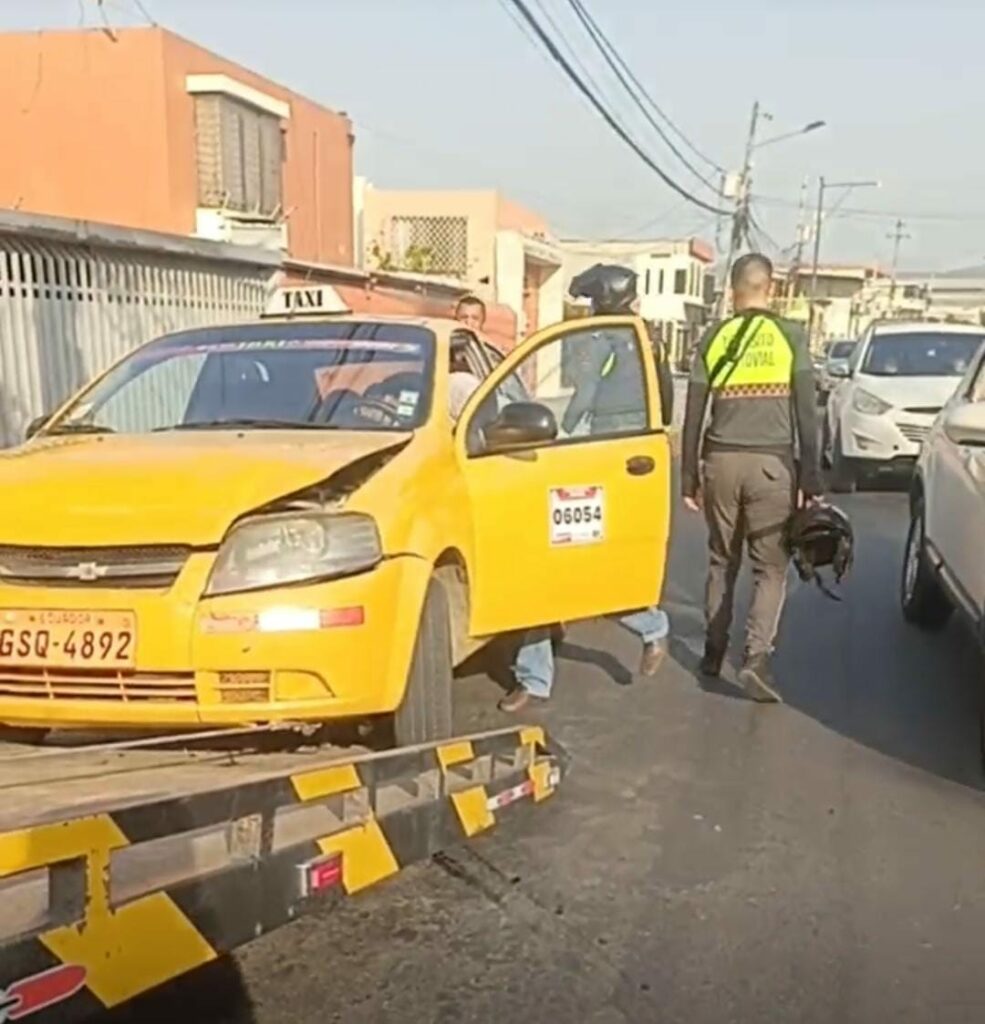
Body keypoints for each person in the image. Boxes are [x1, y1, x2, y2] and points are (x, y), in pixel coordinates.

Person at [498, 263, 671, 713]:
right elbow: (664, 401)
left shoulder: (603, 336)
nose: (590, 307)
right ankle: (651, 627)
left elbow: (586, 393)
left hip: (596, 457)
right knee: (582, 571)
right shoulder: (644, 337)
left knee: (559, 570)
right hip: (627, 459)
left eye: (592, 299)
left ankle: (536, 677)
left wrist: (560, 435)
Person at [680, 252, 822, 702]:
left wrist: (689, 476)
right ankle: (756, 659)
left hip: (720, 463)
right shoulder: (790, 336)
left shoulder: (714, 337)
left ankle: (712, 651)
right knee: (770, 567)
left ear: (732, 290)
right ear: (771, 287)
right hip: (771, 467)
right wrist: (810, 476)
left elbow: (693, 414)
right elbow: (806, 411)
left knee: (722, 561)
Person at [450, 295, 486, 420]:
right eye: (464, 317)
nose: (468, 322)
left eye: (475, 318)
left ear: (482, 322)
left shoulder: (487, 354)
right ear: (455, 319)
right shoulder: (443, 350)